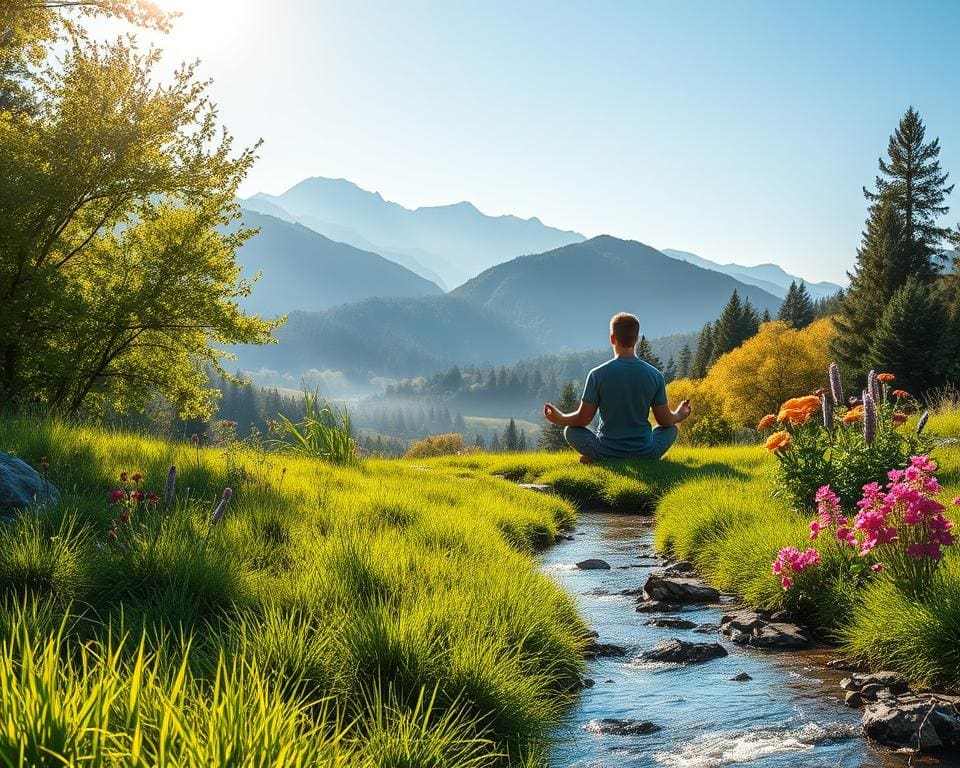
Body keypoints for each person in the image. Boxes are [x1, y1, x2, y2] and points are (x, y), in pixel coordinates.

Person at [543, 312, 691, 463]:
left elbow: (583, 419)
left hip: (606, 449)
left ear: (612, 339)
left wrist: (560, 418)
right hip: (644, 452)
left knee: (571, 431)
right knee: (671, 430)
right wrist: (680, 414)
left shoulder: (597, 374)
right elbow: (664, 421)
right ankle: (641, 458)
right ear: (636, 340)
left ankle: (599, 458)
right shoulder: (655, 375)